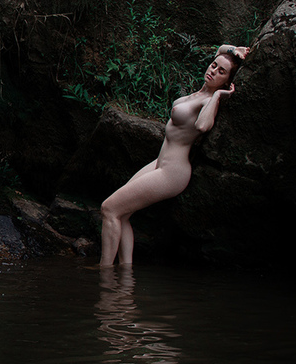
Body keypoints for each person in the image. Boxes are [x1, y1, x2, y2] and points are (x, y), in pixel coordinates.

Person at [99, 44, 249, 266]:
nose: (213, 70)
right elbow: (220, 48)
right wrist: (235, 50)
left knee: (109, 208)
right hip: (160, 163)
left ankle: (104, 273)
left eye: (221, 72)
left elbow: (202, 126)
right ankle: (125, 273)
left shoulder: (208, 101)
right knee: (122, 214)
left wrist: (217, 95)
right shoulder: (199, 92)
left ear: (227, 81)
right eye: (214, 65)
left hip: (173, 172)